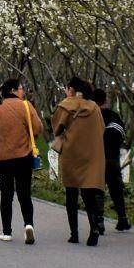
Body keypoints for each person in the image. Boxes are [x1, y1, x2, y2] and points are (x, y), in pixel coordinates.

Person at [0, 77, 45, 244]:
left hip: (4, 158)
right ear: (13, 91)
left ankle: (7, 232)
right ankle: (29, 225)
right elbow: (38, 128)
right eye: (21, 88)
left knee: (7, 194)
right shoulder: (26, 106)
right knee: (25, 194)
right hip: (24, 157)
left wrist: (0, 139)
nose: (22, 91)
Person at [51, 77, 108, 246]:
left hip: (72, 154)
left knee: (71, 194)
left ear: (71, 90)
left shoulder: (65, 106)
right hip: (92, 155)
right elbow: (102, 128)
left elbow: (56, 128)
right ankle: (94, 229)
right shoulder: (95, 108)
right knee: (89, 194)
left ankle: (74, 234)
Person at [98, 90, 132, 232]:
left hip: (96, 159)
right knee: (116, 190)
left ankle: (99, 222)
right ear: (105, 100)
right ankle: (122, 219)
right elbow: (120, 134)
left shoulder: (91, 116)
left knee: (97, 190)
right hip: (112, 158)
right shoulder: (114, 116)